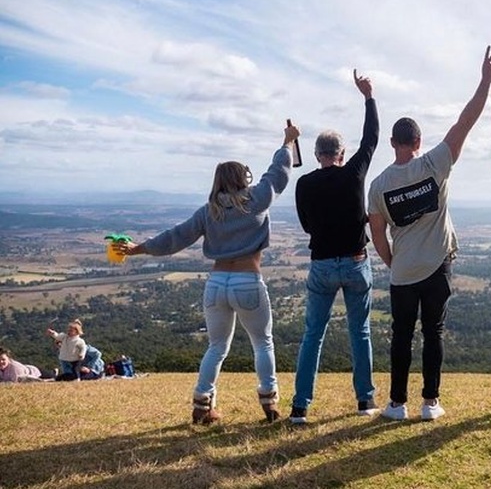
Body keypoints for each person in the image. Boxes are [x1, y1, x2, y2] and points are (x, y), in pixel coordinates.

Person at [116, 122, 298, 424]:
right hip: (247, 280)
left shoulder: (208, 211)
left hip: (216, 284)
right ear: (243, 179)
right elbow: (278, 172)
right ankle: (270, 404)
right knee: (262, 343)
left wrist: (138, 249)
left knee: (216, 347)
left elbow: (175, 237)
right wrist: (288, 142)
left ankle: (202, 405)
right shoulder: (256, 200)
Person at [368, 46, 491, 421]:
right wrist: (485, 83)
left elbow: (378, 235)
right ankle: (430, 403)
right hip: (439, 264)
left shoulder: (378, 186)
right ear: (419, 142)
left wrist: (394, 262)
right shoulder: (434, 164)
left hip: (403, 270)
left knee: (401, 336)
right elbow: (464, 123)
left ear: (393, 143)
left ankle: (396, 405)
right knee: (434, 333)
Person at [289, 70, 380, 424]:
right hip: (357, 263)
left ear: (317, 155)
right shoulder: (354, 172)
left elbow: (307, 226)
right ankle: (365, 401)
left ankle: (300, 407)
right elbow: (371, 138)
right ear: (341, 154)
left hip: (322, 265)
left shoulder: (305, 184)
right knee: (360, 331)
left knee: (313, 334)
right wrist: (368, 96)